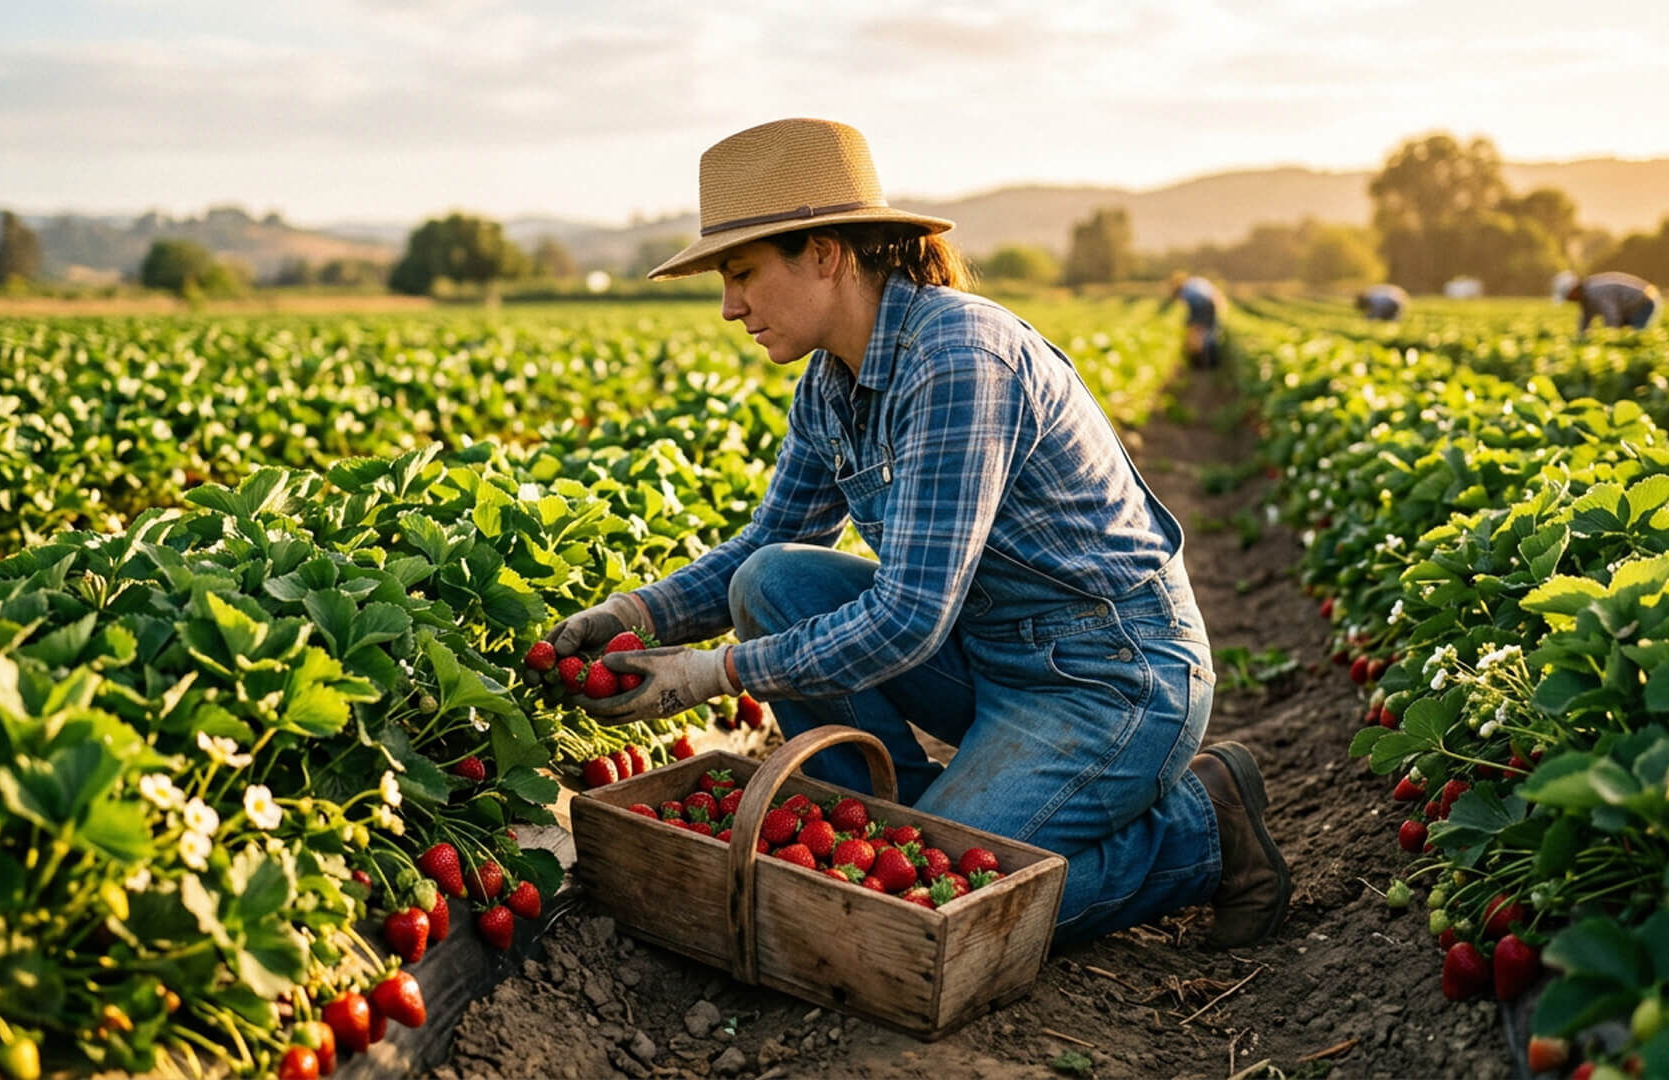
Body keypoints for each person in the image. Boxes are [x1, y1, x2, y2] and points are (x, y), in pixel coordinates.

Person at [543, 118, 1289, 948]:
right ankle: (891, 823)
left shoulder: (959, 359)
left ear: (824, 254)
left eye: (743, 273)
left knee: (926, 903)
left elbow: (908, 618)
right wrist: (636, 615)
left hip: (1107, 676)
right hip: (993, 654)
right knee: (772, 582)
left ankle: (1201, 830)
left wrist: (710, 673)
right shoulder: (832, 386)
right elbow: (765, 547)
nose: (730, 307)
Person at [1556, 270, 1661, 337]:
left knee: (1634, 337)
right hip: (1627, 309)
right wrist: (1581, 337)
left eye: (1567, 297)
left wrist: (1610, 337)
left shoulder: (1594, 292)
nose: (1568, 301)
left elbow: (1612, 314)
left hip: (1643, 303)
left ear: (1573, 290)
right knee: (1624, 337)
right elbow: (1586, 318)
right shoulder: (1585, 297)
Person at [1159, 272, 1226, 368]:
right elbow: (1214, 294)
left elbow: (1194, 307)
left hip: (1203, 305)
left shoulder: (1186, 290)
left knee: (1197, 333)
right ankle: (1212, 362)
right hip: (1212, 304)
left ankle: (1198, 361)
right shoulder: (1195, 282)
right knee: (1210, 333)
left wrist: (1190, 322)